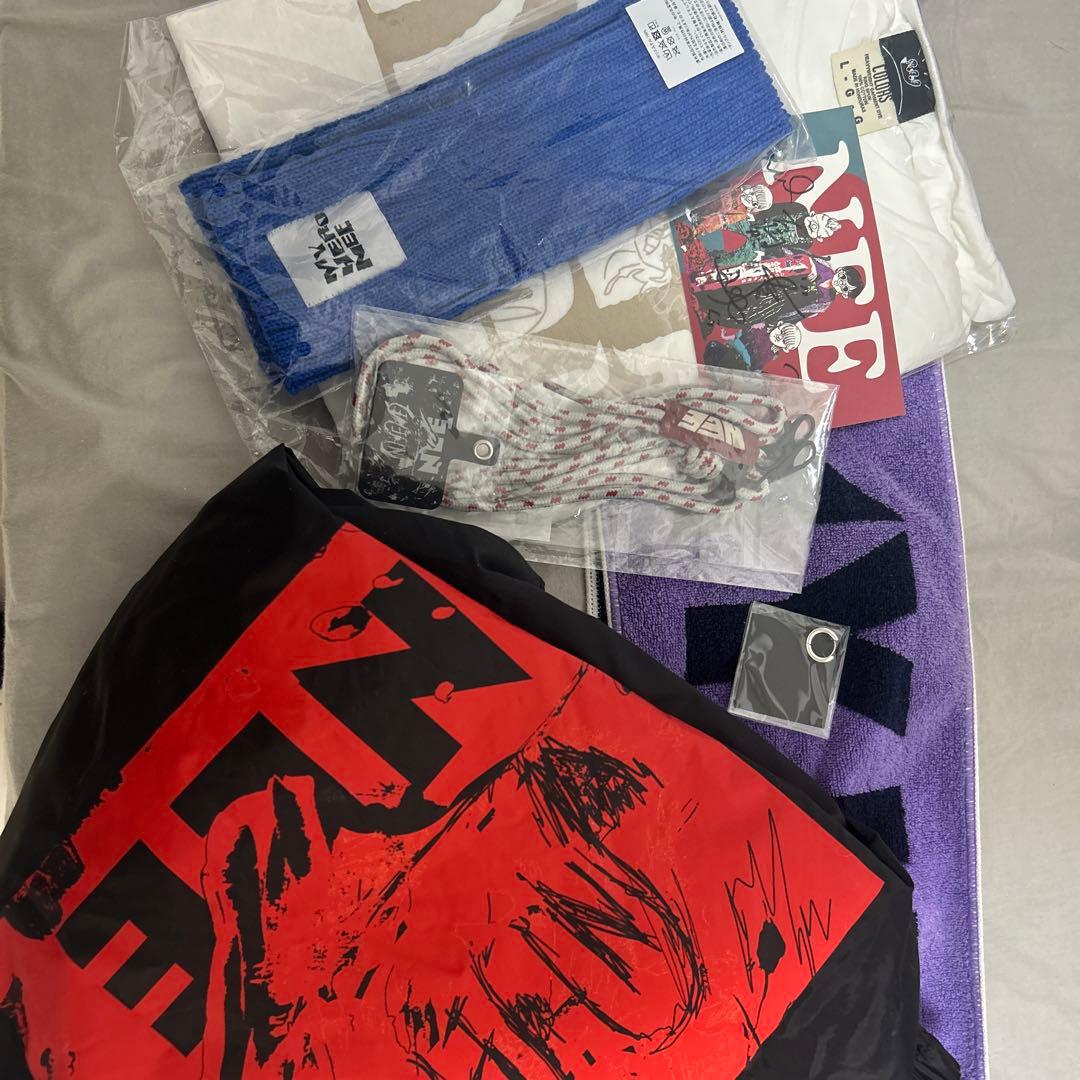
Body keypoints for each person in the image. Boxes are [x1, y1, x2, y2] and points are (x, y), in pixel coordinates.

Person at [692, 260, 865, 348]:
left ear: (844, 294)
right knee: (741, 293)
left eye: (845, 287)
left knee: (743, 316)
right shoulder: (821, 266)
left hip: (778, 305)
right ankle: (704, 299)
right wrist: (809, 267)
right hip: (774, 284)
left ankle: (711, 317)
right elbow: (791, 259)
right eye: (843, 277)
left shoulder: (826, 302)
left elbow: (802, 313)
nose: (840, 282)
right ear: (840, 270)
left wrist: (780, 321)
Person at [699, 203, 841, 269]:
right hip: (754, 225)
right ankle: (699, 223)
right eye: (814, 222)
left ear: (818, 238)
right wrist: (755, 215)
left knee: (737, 259)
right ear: (813, 214)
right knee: (727, 220)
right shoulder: (799, 209)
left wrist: (764, 255)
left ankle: (708, 262)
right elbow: (775, 208)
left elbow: (783, 252)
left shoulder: (806, 244)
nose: (812, 226)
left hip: (760, 247)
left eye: (816, 229)